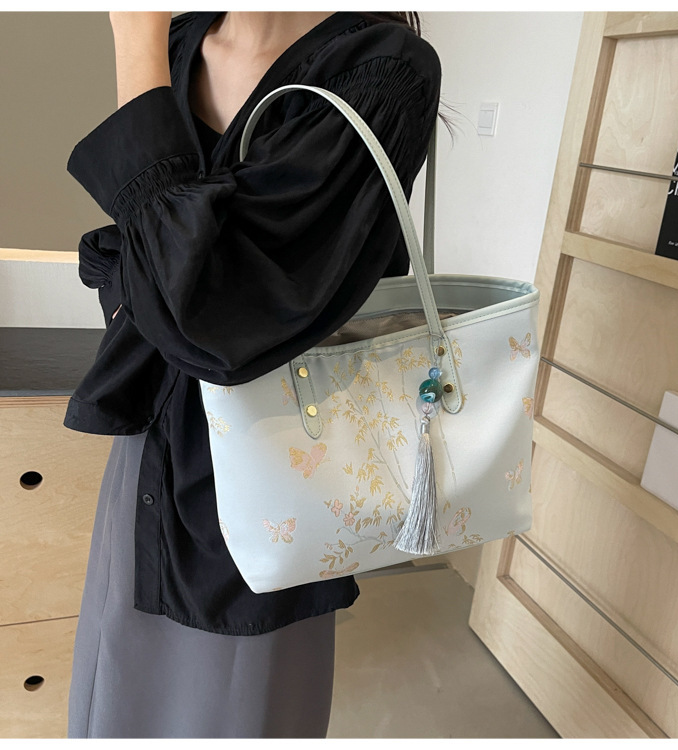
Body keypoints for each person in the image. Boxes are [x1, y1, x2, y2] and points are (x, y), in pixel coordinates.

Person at [64, 10, 441, 739]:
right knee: (115, 698)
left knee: (237, 710)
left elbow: (203, 313)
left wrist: (133, 38)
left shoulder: (384, 71)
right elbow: (157, 275)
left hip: (284, 460)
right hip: (150, 451)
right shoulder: (180, 40)